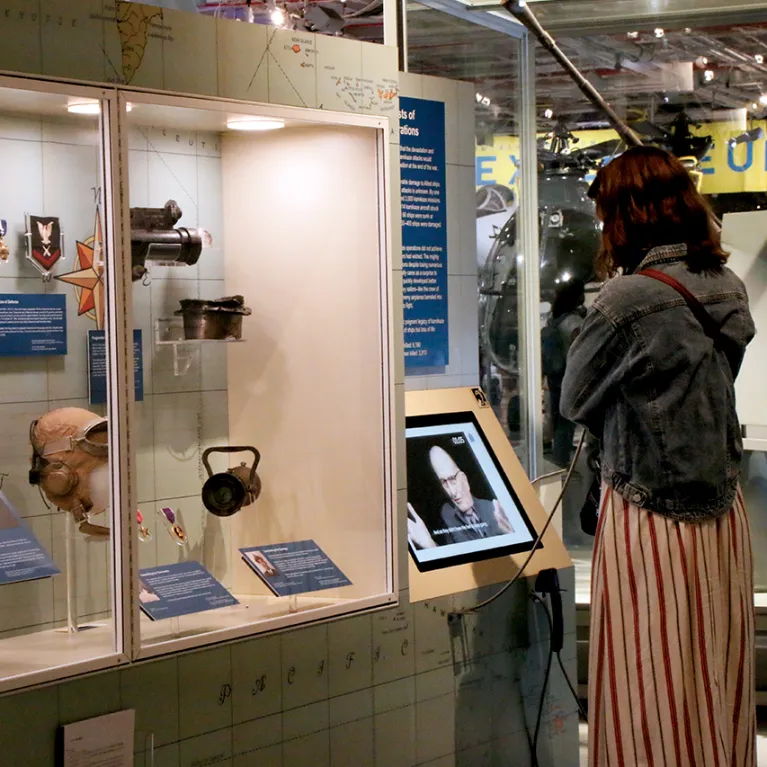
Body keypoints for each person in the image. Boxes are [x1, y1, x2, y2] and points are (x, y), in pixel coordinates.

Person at [561, 146, 756, 767]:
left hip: (648, 515)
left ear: (625, 216)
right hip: (723, 513)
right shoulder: (726, 285)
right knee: (715, 669)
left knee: (648, 671)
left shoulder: (624, 301)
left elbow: (574, 397)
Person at [407, 445, 513, 549]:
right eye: (444, 482)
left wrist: (512, 537)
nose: (452, 492)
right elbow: (454, 558)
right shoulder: (447, 514)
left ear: (464, 479)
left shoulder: (492, 508)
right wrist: (431, 546)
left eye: (453, 479)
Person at [543, 279, 586, 467]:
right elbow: (583, 350)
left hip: (554, 376)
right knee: (566, 423)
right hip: (569, 377)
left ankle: (559, 459)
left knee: (559, 419)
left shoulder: (554, 319)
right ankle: (562, 462)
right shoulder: (574, 321)